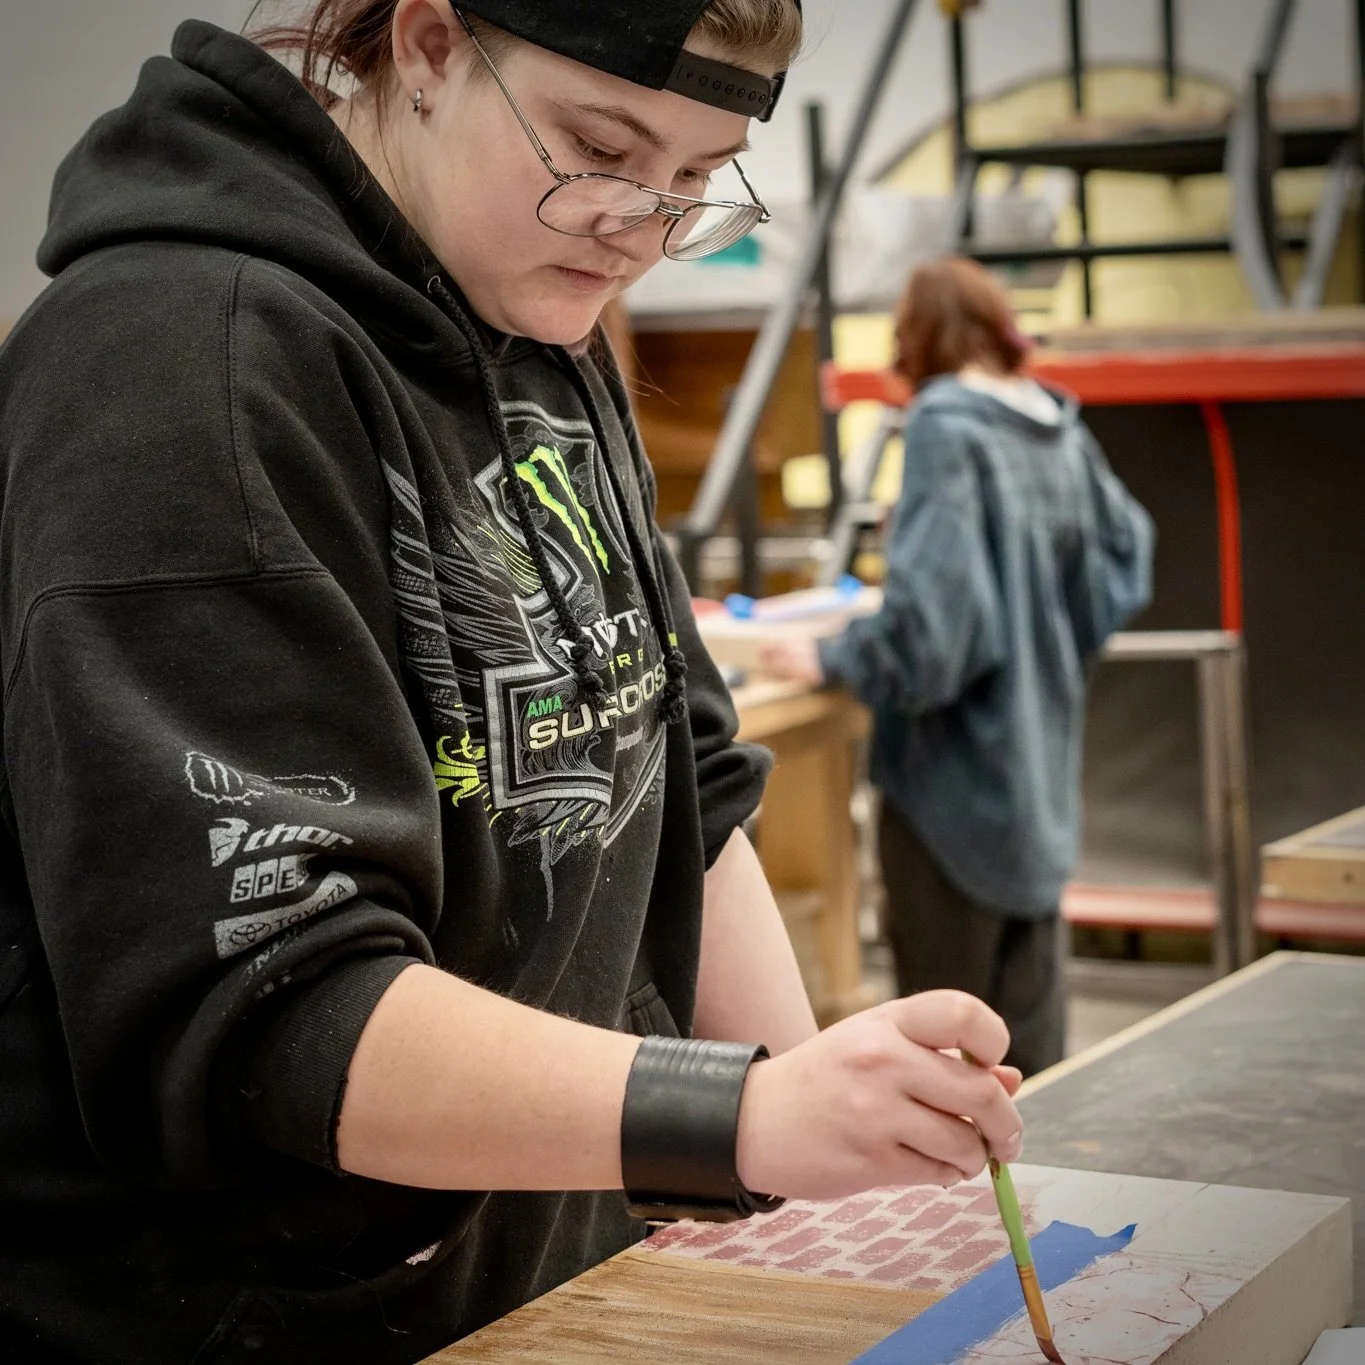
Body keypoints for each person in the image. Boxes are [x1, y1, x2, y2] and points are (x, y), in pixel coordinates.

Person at [0, 7, 1026, 1363]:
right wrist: (739, 1118)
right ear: (429, 44)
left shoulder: (537, 308)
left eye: (695, 178)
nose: (639, 228)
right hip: (256, 1321)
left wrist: (827, 1141)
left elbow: (682, 780)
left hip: (538, 1285)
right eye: (601, 149)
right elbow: (272, 1005)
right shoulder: (183, 359)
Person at [762, 257, 1154, 1079]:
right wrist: (1043, 645)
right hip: (1037, 775)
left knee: (944, 1063)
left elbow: (933, 638)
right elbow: (1126, 557)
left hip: (953, 788)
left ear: (918, 336)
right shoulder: (1053, 424)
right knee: (1031, 1067)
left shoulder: (944, 424)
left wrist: (831, 654)